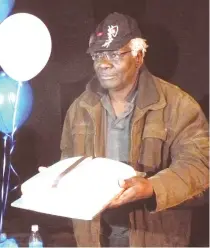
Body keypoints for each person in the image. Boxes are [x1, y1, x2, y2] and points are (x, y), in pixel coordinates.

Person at [60, 12, 209, 247]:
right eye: (98, 54)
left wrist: (152, 188)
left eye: (114, 54)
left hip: (154, 239)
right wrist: (57, 177)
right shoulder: (80, 108)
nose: (104, 63)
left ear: (139, 56)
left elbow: (200, 168)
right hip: (95, 239)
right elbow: (70, 161)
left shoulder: (178, 105)